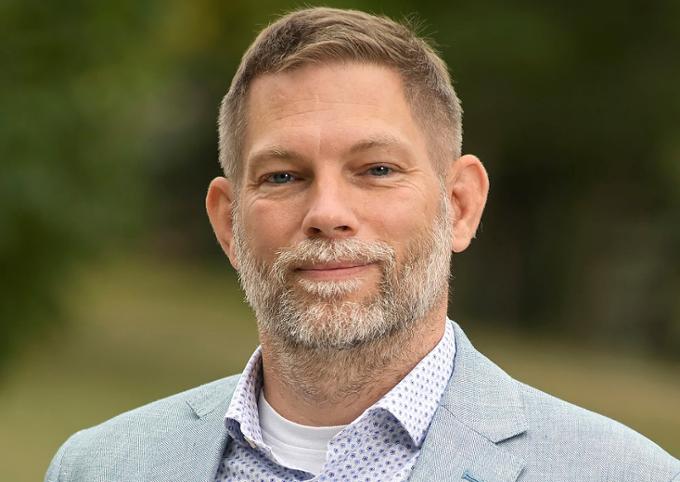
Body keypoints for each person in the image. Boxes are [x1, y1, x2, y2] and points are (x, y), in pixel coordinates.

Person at [45, 7, 678, 482]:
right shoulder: (98, 466)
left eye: (376, 170)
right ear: (227, 224)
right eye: (283, 176)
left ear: (459, 205)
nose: (327, 214)